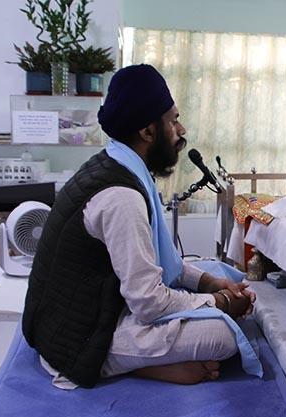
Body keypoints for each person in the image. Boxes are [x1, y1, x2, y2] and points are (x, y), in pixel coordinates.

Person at [22, 64, 257, 388]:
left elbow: (153, 262)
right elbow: (148, 303)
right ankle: (135, 366)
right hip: (78, 340)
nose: (181, 129)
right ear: (148, 131)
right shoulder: (121, 197)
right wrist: (223, 303)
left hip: (80, 311)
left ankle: (148, 360)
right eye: (173, 120)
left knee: (215, 270)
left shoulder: (113, 163)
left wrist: (208, 283)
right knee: (223, 335)